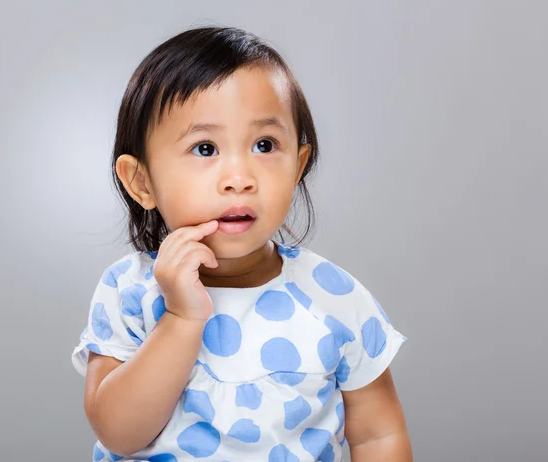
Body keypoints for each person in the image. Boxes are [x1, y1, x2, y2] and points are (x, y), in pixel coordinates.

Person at [71, 26, 412, 462]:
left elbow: (378, 437)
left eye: (264, 145)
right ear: (142, 183)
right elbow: (119, 433)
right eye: (205, 148)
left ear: (298, 166)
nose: (239, 178)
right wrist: (180, 318)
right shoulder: (130, 290)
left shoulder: (334, 297)